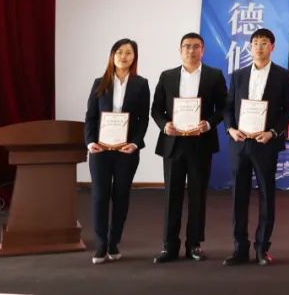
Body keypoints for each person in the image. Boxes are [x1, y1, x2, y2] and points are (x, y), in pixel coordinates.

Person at [221, 28, 289, 266]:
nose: (259, 46)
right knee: (238, 197)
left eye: (264, 42)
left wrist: (273, 132)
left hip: (265, 144)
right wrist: (230, 129)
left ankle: (262, 248)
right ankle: (239, 249)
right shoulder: (239, 75)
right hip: (240, 143)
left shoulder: (282, 75)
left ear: (272, 47)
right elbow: (228, 107)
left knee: (266, 195)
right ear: (250, 47)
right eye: (255, 42)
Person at [151, 32, 228, 263]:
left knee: (197, 195)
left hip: (200, 143)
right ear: (180, 50)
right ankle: (169, 246)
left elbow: (223, 108)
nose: (191, 50)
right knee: (171, 196)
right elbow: (156, 110)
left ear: (203, 50)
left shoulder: (214, 76)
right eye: (187, 46)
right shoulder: (167, 76)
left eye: (196, 46)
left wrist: (209, 124)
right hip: (173, 143)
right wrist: (164, 125)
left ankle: (194, 244)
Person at [84, 38, 150, 265]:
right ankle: (101, 245)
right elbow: (90, 117)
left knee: (121, 195)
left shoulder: (141, 84)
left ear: (134, 57)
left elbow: (142, 119)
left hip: (126, 151)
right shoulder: (99, 83)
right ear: (112, 55)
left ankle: (114, 243)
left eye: (128, 53)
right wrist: (90, 142)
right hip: (100, 150)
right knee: (100, 195)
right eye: (119, 52)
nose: (123, 56)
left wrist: (135, 143)